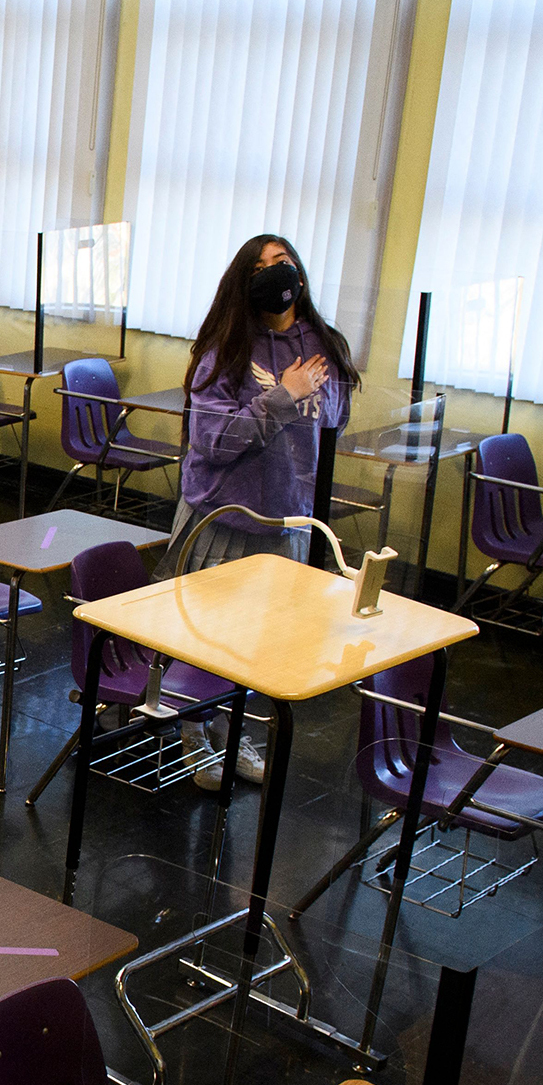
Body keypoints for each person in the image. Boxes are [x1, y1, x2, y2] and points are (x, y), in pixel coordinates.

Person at [170, 233, 359, 790]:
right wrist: (283, 394)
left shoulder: (324, 343)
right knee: (206, 637)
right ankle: (192, 731)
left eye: (282, 262)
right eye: (260, 267)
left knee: (256, 641)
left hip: (287, 517)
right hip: (222, 516)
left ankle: (232, 731)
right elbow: (213, 442)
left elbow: (332, 421)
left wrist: (322, 387)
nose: (274, 273)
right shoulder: (226, 348)